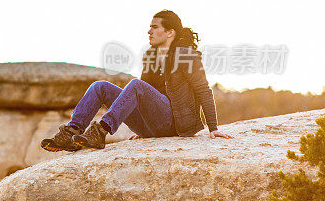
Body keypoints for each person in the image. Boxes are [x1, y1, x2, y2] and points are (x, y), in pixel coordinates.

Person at [41, 10, 233, 152]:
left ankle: (101, 131)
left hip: (176, 124)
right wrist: (143, 128)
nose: (149, 31)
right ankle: (71, 132)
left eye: (154, 27)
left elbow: (203, 90)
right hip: (154, 124)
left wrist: (213, 128)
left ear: (170, 32)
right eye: (149, 27)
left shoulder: (186, 55)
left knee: (136, 85)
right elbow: (141, 96)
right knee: (99, 87)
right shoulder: (151, 56)